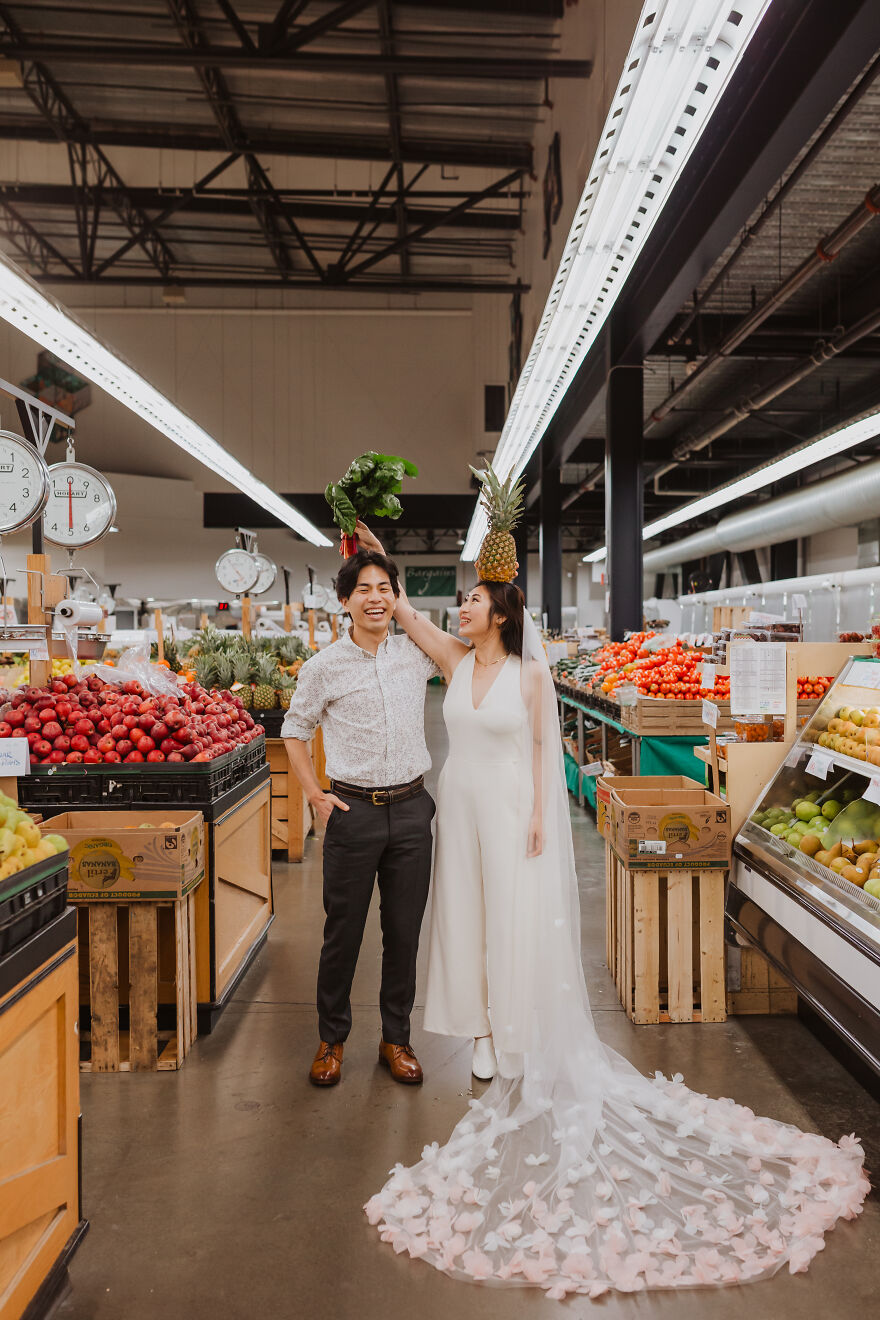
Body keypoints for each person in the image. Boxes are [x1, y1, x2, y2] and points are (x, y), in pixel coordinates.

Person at [354, 519, 869, 1299]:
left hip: (509, 811)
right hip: (456, 816)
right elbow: (403, 614)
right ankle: (484, 1032)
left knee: (511, 922)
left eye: (470, 600)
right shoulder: (452, 660)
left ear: (499, 610)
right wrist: (368, 559)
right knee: (464, 919)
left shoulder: (529, 673)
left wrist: (537, 814)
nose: (456, 609)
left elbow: (538, 749)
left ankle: (517, 1026)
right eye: (457, 602)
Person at [282, 548, 439, 1088]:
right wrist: (314, 796)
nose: (375, 598)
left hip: (413, 811)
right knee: (342, 932)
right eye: (364, 589)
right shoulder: (323, 667)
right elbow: (294, 731)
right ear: (344, 601)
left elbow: (464, 652)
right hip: (353, 813)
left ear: (396, 598)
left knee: (404, 931)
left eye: (384, 588)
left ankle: (396, 1039)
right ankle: (332, 1038)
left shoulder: (416, 654)